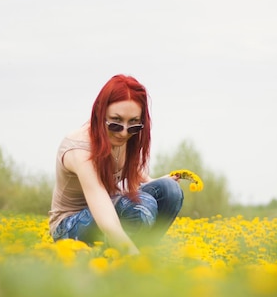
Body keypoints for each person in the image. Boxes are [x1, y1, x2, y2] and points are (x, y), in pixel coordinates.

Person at [48, 74, 184, 255]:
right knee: (141, 206)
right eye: (116, 122)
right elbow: (101, 204)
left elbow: (134, 172)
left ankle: (145, 254)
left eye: (134, 124)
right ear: (99, 113)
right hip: (70, 226)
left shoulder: (123, 138)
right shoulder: (80, 149)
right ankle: (128, 259)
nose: (124, 132)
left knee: (170, 190)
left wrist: (159, 183)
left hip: (111, 207)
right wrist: (131, 254)